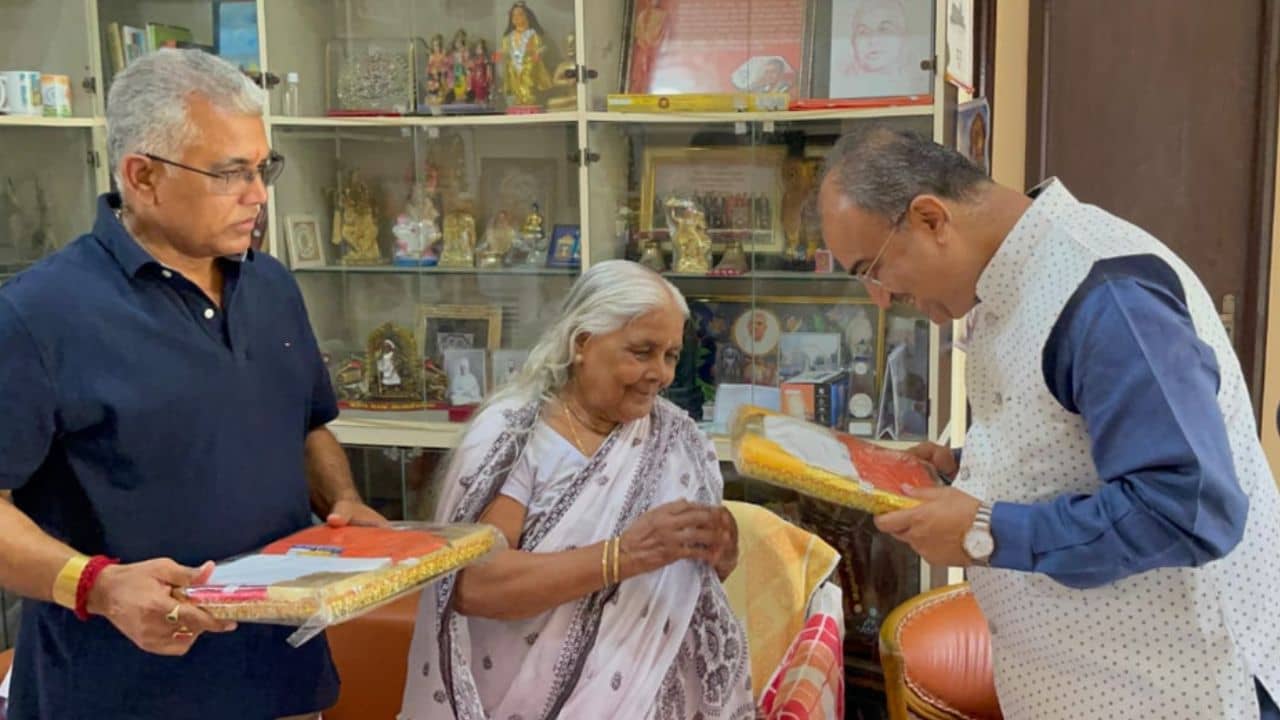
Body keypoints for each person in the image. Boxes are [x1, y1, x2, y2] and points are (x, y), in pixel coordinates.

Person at [818, 126, 1280, 719]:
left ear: (931, 219)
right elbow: (1071, 443)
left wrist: (986, 531)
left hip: (1176, 691)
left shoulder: (1107, 294)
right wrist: (960, 470)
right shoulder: (1011, 285)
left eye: (873, 270)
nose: (880, 299)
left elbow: (1189, 508)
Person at [0, 49, 386, 720]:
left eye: (263, 168)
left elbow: (303, 426)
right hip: (119, 694)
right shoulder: (38, 313)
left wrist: (345, 501)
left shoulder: (271, 285)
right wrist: (99, 586)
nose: (258, 194)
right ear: (142, 176)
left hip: (283, 680)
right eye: (231, 173)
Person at [400, 260, 754, 720]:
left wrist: (721, 549)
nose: (661, 374)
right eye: (642, 352)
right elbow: (471, 583)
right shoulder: (515, 436)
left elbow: (690, 590)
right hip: (518, 700)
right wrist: (622, 556)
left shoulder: (677, 439)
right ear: (582, 343)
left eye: (670, 355)